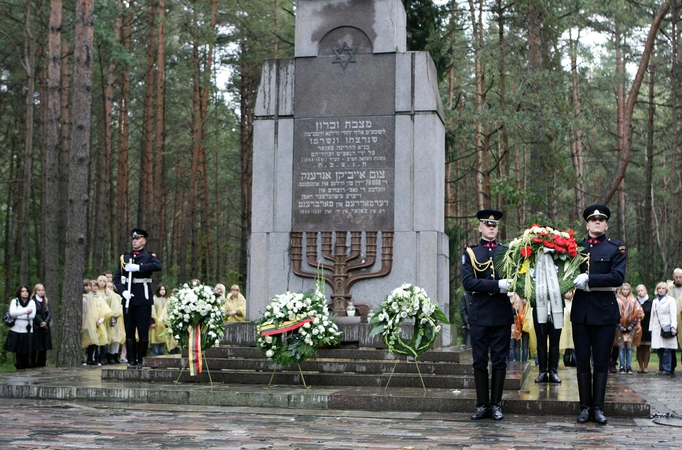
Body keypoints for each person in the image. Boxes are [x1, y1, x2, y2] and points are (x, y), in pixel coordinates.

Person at [571, 204, 626, 425]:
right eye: (593, 220)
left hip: (604, 311)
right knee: (582, 360)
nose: (597, 222)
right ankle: (585, 407)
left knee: (602, 361)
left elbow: (617, 277)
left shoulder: (616, 248)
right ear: (587, 224)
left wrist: (589, 279)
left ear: (606, 224)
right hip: (582, 311)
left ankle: (598, 408)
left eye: (601, 220)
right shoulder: (575, 248)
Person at [461, 209, 514, 421]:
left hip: (501, 312)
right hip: (480, 311)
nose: (491, 227)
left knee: (500, 360)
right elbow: (468, 282)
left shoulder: (507, 251)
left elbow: (516, 277)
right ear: (480, 227)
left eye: (495, 225)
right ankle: (482, 404)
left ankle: (496, 404)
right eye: (487, 224)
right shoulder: (471, 252)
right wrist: (496, 285)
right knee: (480, 360)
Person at [114, 228, 162, 368]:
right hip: (128, 298)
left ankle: (141, 360)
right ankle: (131, 360)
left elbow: (157, 266)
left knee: (142, 331)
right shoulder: (125, 257)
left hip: (143, 298)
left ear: (143, 241)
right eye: (133, 239)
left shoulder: (148, 256)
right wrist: (123, 292)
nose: (134, 241)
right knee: (129, 331)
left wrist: (138, 268)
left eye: (137, 239)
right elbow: (117, 279)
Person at [533, 275, 564, 384]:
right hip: (539, 304)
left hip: (557, 305)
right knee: (541, 340)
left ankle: (553, 371)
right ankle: (542, 371)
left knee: (555, 341)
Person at [4, 285, 36, 369]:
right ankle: (19, 368)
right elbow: (12, 313)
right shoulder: (15, 301)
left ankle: (26, 368)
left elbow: (32, 316)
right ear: (19, 292)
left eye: (26, 291)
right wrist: (25, 311)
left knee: (26, 351)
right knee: (18, 352)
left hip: (27, 330)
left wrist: (18, 315)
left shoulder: (32, 302)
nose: (25, 293)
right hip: (16, 329)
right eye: (23, 291)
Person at [650, 282, 678, 375]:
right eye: (659, 288)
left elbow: (673, 314)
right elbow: (652, 316)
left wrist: (673, 326)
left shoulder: (671, 300)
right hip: (657, 328)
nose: (661, 290)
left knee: (667, 349)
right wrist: (651, 328)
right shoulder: (654, 301)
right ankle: (661, 368)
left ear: (666, 290)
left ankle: (667, 369)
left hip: (667, 326)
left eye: (663, 288)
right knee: (660, 349)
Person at [615, 283, 644, 374]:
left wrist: (632, 325)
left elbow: (638, 313)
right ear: (621, 290)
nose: (625, 291)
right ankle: (622, 366)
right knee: (621, 347)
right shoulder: (617, 300)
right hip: (620, 328)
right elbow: (614, 314)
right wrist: (619, 326)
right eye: (623, 289)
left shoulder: (633, 300)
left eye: (627, 289)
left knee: (629, 347)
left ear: (630, 290)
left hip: (631, 327)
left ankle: (629, 366)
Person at [82, 279, 112, 366]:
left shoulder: (99, 297)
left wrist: (100, 320)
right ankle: (88, 358)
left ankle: (96, 359)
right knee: (90, 340)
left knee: (97, 341)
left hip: (98, 322)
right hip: (89, 322)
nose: (94, 287)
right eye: (92, 286)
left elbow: (104, 310)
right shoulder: (87, 297)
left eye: (96, 286)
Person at [101, 277, 125, 364]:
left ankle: (114, 356)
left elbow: (117, 308)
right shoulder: (100, 294)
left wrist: (114, 318)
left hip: (114, 319)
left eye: (112, 287)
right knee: (106, 338)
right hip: (104, 319)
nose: (110, 288)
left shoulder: (116, 296)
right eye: (109, 286)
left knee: (115, 339)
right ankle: (105, 356)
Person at [30, 283, 52, 367]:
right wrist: (40, 322)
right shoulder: (32, 300)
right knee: (35, 346)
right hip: (36, 326)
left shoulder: (46, 300)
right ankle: (32, 364)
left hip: (45, 327)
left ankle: (42, 364)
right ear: (35, 291)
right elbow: (34, 314)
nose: (41, 292)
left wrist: (46, 322)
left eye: (42, 290)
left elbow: (49, 313)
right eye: (39, 290)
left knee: (44, 346)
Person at [667, 269, 682, 374]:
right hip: (671, 317)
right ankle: (671, 366)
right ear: (673, 276)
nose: (678, 279)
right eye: (676, 277)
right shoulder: (669, 287)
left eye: (680, 277)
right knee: (671, 343)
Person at [635, 284, 652, 373]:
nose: (640, 292)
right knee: (639, 347)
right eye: (638, 291)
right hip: (637, 327)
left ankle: (645, 367)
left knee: (646, 347)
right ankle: (640, 366)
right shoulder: (635, 301)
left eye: (642, 290)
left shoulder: (651, 302)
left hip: (647, 327)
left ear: (645, 291)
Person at [150, 285, 170, 356]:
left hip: (164, 325)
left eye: (164, 289)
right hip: (155, 324)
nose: (163, 291)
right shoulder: (154, 299)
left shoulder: (167, 300)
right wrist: (152, 322)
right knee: (155, 344)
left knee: (162, 344)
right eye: (161, 289)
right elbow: (151, 311)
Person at [560, 290, 576, 367]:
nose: (569, 294)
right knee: (566, 344)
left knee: (574, 345)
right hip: (565, 328)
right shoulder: (563, 303)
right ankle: (566, 360)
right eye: (567, 292)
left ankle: (574, 360)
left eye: (570, 292)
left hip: (573, 327)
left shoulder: (574, 302)